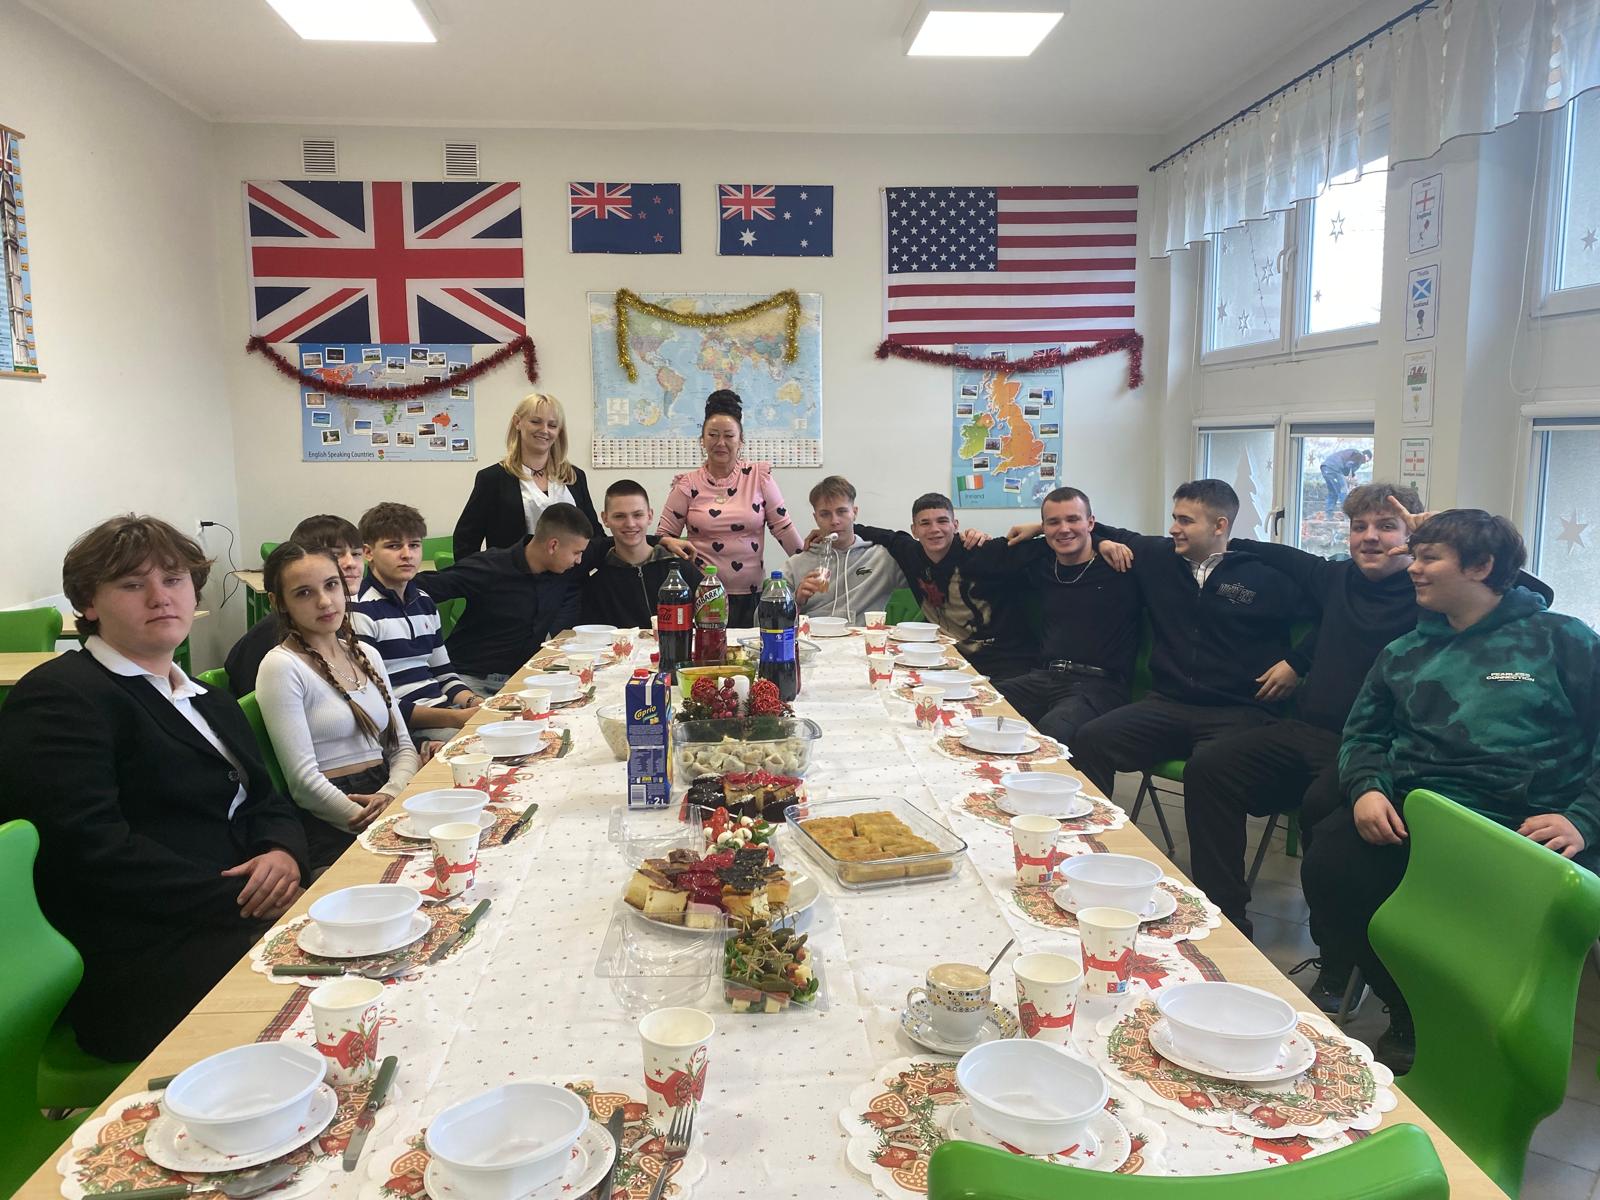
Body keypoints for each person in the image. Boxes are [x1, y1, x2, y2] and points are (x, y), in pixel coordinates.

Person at [1301, 510, 1600, 1073]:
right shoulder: (1404, 652)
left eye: (1428, 558)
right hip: (1419, 814)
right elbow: (1363, 735)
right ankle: (1407, 1010)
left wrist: (1584, 819)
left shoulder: (1562, 639)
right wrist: (1366, 789)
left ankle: (1479, 1026)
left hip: (1527, 826)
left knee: (1483, 924)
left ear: (1481, 566)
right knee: (1330, 869)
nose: (1412, 568)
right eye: (1414, 556)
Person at [0, 515, 308, 1060]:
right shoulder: (61, 698)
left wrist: (282, 853)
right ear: (89, 604)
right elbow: (91, 852)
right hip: (145, 954)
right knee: (342, 986)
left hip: (231, 917)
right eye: (131, 584)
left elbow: (266, 800)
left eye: (173, 579)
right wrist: (248, 901)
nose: (159, 597)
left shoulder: (206, 699)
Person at [1070, 480, 1307, 798]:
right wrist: (1099, 542)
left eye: (1185, 521)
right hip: (1168, 704)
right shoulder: (1159, 558)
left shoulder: (1267, 577)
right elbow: (1091, 530)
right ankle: (1095, 826)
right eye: (1174, 518)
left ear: (1219, 525)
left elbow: (1333, 615)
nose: (1173, 528)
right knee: (1090, 738)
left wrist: (1298, 662)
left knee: (1209, 769)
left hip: (1238, 710)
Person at [256, 542, 420, 872]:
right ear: (279, 602)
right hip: (334, 816)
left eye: (331, 585)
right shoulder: (282, 667)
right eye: (304, 593)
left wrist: (391, 795)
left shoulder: (366, 655)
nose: (324, 601)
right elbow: (303, 783)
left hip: (387, 795)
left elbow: (402, 746)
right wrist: (374, 824)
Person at [986, 487, 1141, 745]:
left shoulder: (1119, 565)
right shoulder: (1044, 565)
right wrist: (1038, 529)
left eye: (1073, 519)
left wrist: (1101, 540)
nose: (1064, 529)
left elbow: (1162, 545)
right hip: (1045, 676)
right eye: (1053, 522)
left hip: (1100, 684)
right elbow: (993, 559)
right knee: (980, 702)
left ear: (1091, 523)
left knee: (1052, 731)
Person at [854, 493, 1055, 682]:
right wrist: (837, 528)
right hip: (945, 660)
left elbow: (1062, 540)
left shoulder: (984, 551)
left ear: (955, 525)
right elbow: (877, 533)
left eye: (942, 521)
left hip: (1005, 662)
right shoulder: (909, 552)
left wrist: (1040, 527)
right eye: (925, 523)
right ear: (914, 530)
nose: (934, 529)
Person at [655, 390, 805, 627]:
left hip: (752, 596)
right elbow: (662, 536)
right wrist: (669, 544)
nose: (720, 443)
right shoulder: (687, 484)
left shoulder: (759, 478)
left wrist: (810, 564)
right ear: (702, 440)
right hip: (703, 594)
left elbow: (783, 528)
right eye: (713, 435)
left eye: (729, 435)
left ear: (740, 440)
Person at [420, 502, 591, 696]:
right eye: (577, 553)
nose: (579, 560)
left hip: (523, 679)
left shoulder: (562, 570)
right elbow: (425, 586)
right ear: (553, 546)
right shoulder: (490, 567)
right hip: (470, 679)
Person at [349, 502, 480, 745]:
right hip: (405, 728)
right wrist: (456, 718)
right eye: (393, 546)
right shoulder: (359, 610)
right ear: (368, 553)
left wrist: (474, 702)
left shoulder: (424, 602)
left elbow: (444, 673)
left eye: (414, 545)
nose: (407, 554)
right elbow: (377, 702)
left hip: (443, 711)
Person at [225, 514, 362, 697]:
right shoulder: (275, 642)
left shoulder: (335, 623)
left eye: (356, 554)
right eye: (336, 555)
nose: (351, 563)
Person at [453, 392, 599, 560]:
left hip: (572, 576)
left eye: (552, 425)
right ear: (517, 422)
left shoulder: (573, 476)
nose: (544, 430)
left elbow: (594, 533)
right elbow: (466, 541)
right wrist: (480, 574)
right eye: (536, 422)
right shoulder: (493, 479)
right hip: (514, 575)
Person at [580, 479, 702, 628]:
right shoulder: (597, 585)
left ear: (649, 516)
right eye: (619, 516)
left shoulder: (681, 570)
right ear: (605, 519)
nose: (630, 524)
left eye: (637, 515)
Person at [783, 476, 901, 624]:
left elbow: (922, 569)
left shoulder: (882, 558)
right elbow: (762, 621)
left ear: (854, 512)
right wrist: (796, 601)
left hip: (864, 637)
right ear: (816, 518)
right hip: (815, 637)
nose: (834, 521)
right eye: (825, 514)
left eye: (842, 511)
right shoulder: (795, 565)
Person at [1320, 447, 1372, 516]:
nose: (1365, 462)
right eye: (1367, 460)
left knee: (1333, 493)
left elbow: (1345, 470)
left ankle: (1328, 515)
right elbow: (1348, 465)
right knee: (1343, 491)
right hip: (1334, 468)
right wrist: (1353, 476)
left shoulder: (1352, 453)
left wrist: (1349, 475)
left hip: (1325, 467)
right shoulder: (1359, 455)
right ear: (1366, 455)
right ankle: (1347, 514)